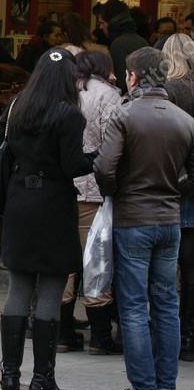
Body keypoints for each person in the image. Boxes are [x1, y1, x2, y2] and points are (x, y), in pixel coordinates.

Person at [95, 47, 194, 390]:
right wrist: (173, 191)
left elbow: (104, 168)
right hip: (170, 220)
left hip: (134, 219)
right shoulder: (185, 120)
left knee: (135, 304)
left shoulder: (125, 115)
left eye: (127, 74)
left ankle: (143, 389)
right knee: (167, 303)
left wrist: (118, 192)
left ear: (134, 77)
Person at [0, 47, 94, 390]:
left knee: (18, 287)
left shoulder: (16, 108)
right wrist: (96, 158)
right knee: (52, 289)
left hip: (19, 202)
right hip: (53, 205)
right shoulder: (69, 115)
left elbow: (2, 153)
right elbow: (73, 165)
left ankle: (10, 378)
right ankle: (42, 382)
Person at [58, 50, 121, 354]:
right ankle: (100, 336)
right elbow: (114, 145)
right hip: (95, 192)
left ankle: (62, 333)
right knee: (97, 261)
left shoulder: (64, 92)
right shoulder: (108, 96)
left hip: (63, 189)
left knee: (64, 263)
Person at [161, 32, 194, 361]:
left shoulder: (168, 91)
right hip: (189, 183)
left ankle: (173, 333)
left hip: (172, 185)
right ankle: (188, 333)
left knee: (169, 266)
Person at [98, 0, 145, 93]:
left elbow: (121, 82)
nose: (100, 27)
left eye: (102, 23)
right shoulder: (140, 40)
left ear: (112, 24)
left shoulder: (118, 45)